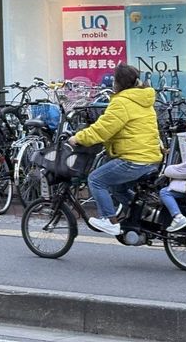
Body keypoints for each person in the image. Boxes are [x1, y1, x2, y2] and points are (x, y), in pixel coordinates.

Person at [69, 62, 162, 236]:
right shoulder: (143, 99)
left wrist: (78, 138)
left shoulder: (122, 102)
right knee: (118, 188)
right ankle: (147, 214)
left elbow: (102, 129)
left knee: (96, 179)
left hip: (134, 159)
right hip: (151, 158)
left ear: (118, 83)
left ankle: (109, 220)